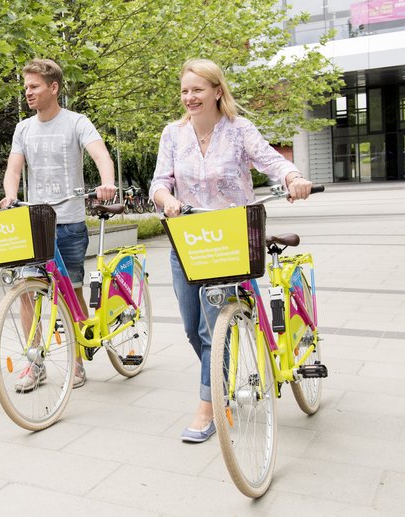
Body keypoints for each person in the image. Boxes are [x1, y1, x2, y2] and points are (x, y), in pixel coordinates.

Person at [149, 58, 313, 443]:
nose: (190, 97)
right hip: (187, 239)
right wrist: (166, 200)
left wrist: (293, 176)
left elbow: (270, 159)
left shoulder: (239, 130)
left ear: (217, 91)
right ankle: (220, 382)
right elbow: (159, 180)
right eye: (185, 91)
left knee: (210, 328)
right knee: (193, 328)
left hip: (231, 239)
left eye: (198, 90)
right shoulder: (173, 134)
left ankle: (208, 406)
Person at [0, 58, 117, 392]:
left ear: (54, 88)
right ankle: (35, 364)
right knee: (27, 293)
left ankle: (77, 362)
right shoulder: (23, 128)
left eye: (34, 86)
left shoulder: (77, 123)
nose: (28, 93)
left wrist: (106, 182)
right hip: (36, 221)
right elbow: (14, 169)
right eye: (26, 88)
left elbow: (100, 155)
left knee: (70, 293)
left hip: (68, 221)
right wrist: (10, 195)